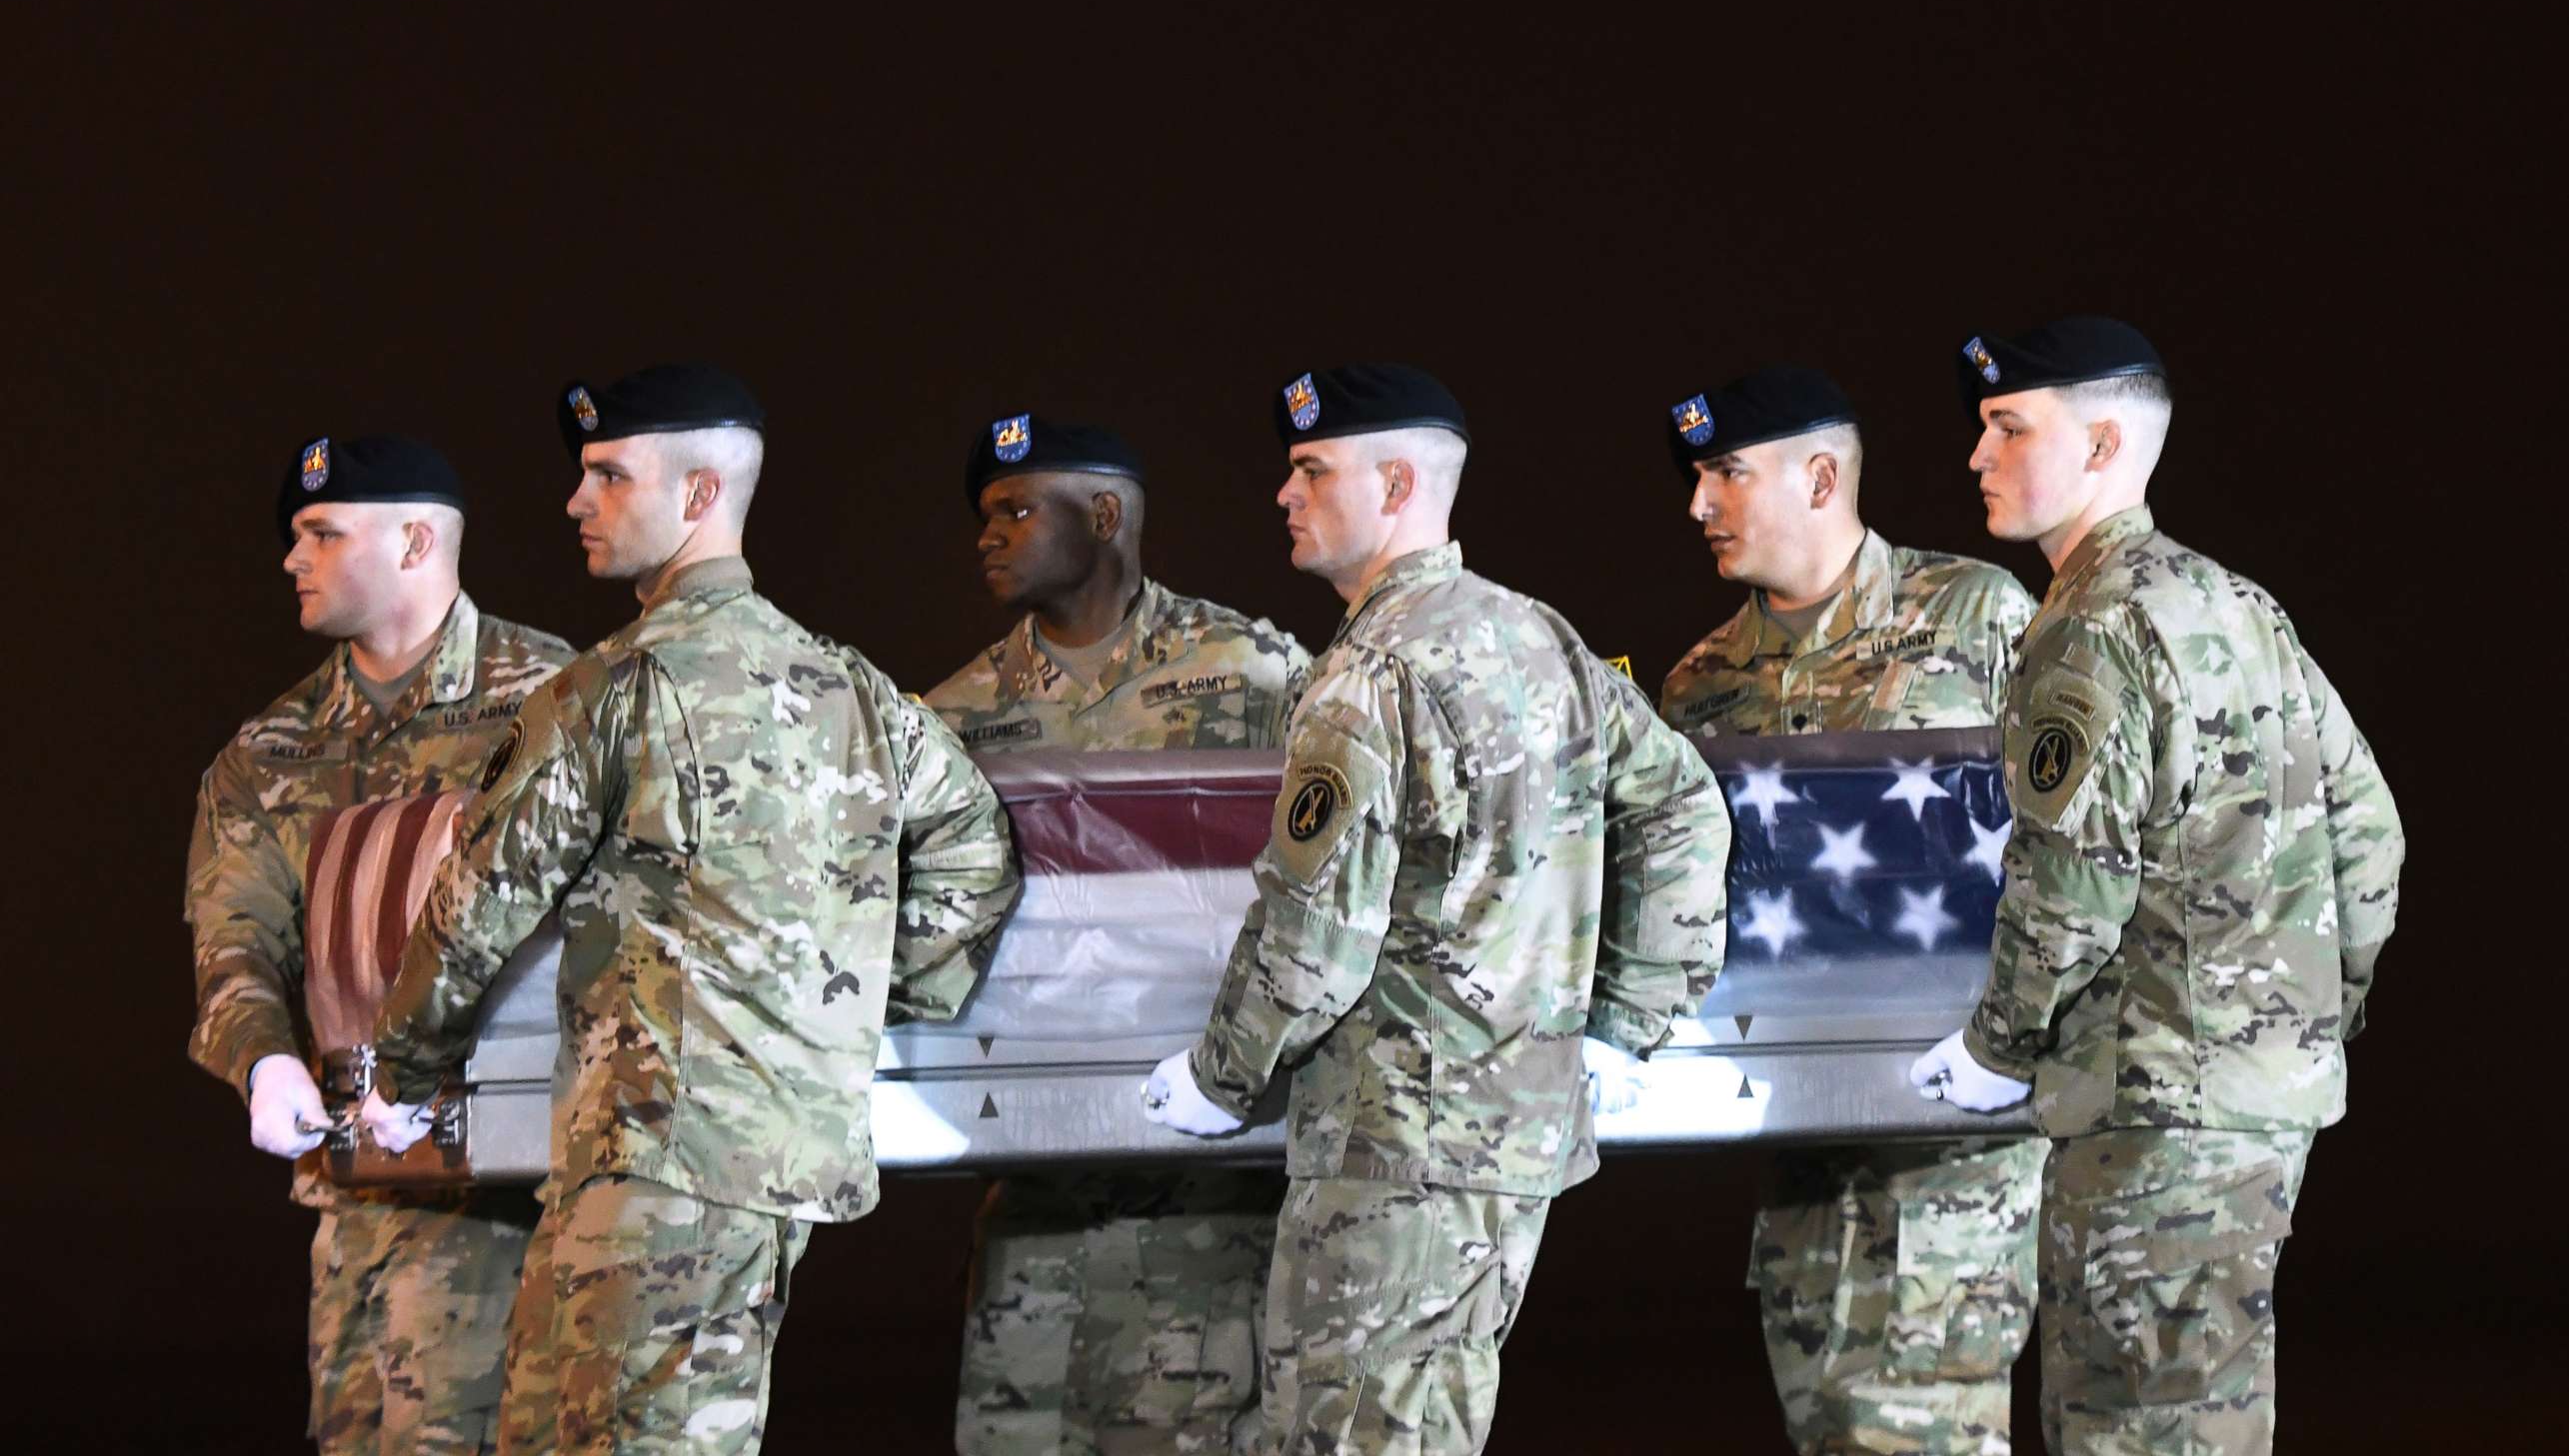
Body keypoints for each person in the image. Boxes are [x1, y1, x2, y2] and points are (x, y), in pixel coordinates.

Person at [360, 365, 1021, 1454]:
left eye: (610, 477)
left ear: (702, 496)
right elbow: (975, 851)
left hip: (653, 1160)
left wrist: (405, 1071)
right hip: (768, 1158)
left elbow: (480, 899)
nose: (578, 502)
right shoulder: (850, 689)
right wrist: (844, 1006)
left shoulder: (616, 690)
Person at [1143, 362, 1733, 1454]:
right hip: (1511, 1142)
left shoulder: (1368, 671)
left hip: (1393, 1151)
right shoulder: (1542, 641)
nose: (1285, 494)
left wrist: (1220, 1073)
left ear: (1399, 481)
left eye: (1313, 470)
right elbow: (1685, 808)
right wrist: (1619, 1020)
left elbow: (1314, 940)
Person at [1912, 319, 2404, 1453]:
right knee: (2211, 1420)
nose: (1976, 457)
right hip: (2258, 1106)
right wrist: (2303, 1021)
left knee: (2130, 1425)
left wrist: (1995, 1051)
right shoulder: (2243, 608)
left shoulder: (2089, 627)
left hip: (2147, 1115)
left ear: (2100, 446)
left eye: (2006, 428)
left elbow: (2069, 888)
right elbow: (2371, 837)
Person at [1655, 364, 2049, 1456]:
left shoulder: (1976, 618)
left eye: (1727, 475)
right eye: (1698, 478)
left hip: (1950, 1144)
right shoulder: (1697, 686)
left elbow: (2082, 841)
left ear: (1820, 475)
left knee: (1921, 1430)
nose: (1700, 505)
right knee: (1832, 1424)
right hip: (1798, 1143)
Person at [933, 415, 1311, 1456]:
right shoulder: (950, 720)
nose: (988, 534)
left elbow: (1339, 877)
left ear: (1104, 518)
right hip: (1037, 1187)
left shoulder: (1255, 675)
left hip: (1208, 1187)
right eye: (984, 514)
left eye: (1016, 509)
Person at [186, 434, 572, 1453]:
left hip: (518, 1198)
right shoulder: (270, 752)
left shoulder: (560, 704)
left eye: (320, 533)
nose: (290, 558)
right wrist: (263, 1060)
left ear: (413, 540)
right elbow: (236, 941)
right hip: (355, 1197)